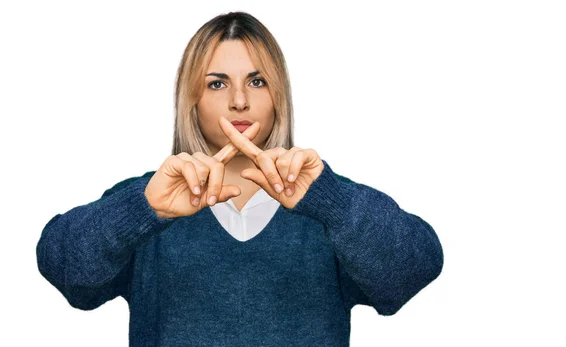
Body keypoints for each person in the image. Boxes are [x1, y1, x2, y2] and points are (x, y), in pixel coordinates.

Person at [36, 11, 444, 347]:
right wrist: (141, 210)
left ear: (277, 95)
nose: (239, 100)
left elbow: (416, 269)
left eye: (257, 81)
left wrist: (333, 204)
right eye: (217, 83)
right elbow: (64, 269)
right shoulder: (150, 198)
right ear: (192, 101)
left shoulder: (326, 200)